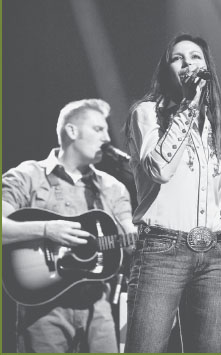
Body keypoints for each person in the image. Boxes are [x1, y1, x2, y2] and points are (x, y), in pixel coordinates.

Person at [124, 33, 221, 353]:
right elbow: (159, 169)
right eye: (177, 58)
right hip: (162, 249)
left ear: (207, 68)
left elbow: (215, 209)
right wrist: (188, 106)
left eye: (195, 57)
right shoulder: (147, 113)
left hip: (212, 255)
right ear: (167, 70)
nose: (187, 63)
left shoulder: (213, 130)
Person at [2, 98, 136, 353]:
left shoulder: (113, 188)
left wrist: (140, 240)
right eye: (98, 129)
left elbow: (129, 237)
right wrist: (46, 229)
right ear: (72, 131)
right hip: (42, 312)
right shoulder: (27, 175)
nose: (107, 138)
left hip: (100, 309)